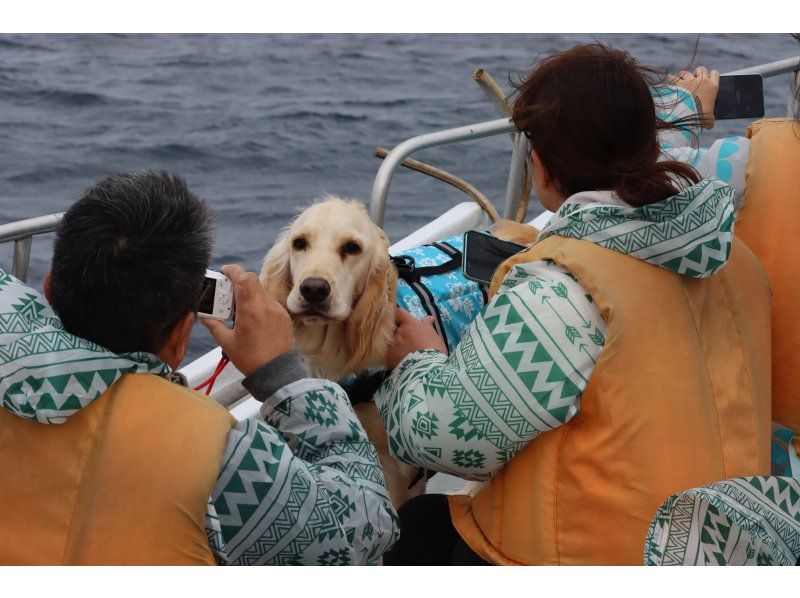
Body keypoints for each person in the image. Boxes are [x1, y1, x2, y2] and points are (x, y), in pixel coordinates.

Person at [375, 43, 772, 565]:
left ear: (539, 166)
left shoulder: (562, 289)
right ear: (649, 145)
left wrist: (416, 361)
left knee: (411, 534)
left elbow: (446, 441)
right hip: (729, 551)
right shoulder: (737, 259)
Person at [0, 170, 398, 565]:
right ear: (181, 336)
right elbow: (368, 527)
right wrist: (284, 378)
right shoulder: (223, 457)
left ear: (49, 287)